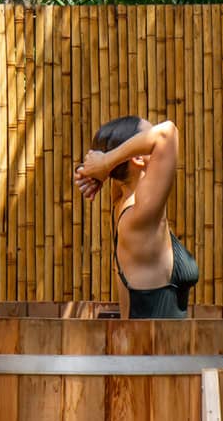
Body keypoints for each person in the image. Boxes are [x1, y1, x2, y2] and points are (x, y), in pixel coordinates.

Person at [73, 116, 199, 318]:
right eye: (146, 141)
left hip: (147, 347)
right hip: (152, 348)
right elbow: (168, 133)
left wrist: (100, 168)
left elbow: (112, 156)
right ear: (138, 158)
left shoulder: (122, 201)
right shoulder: (140, 217)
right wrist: (104, 163)